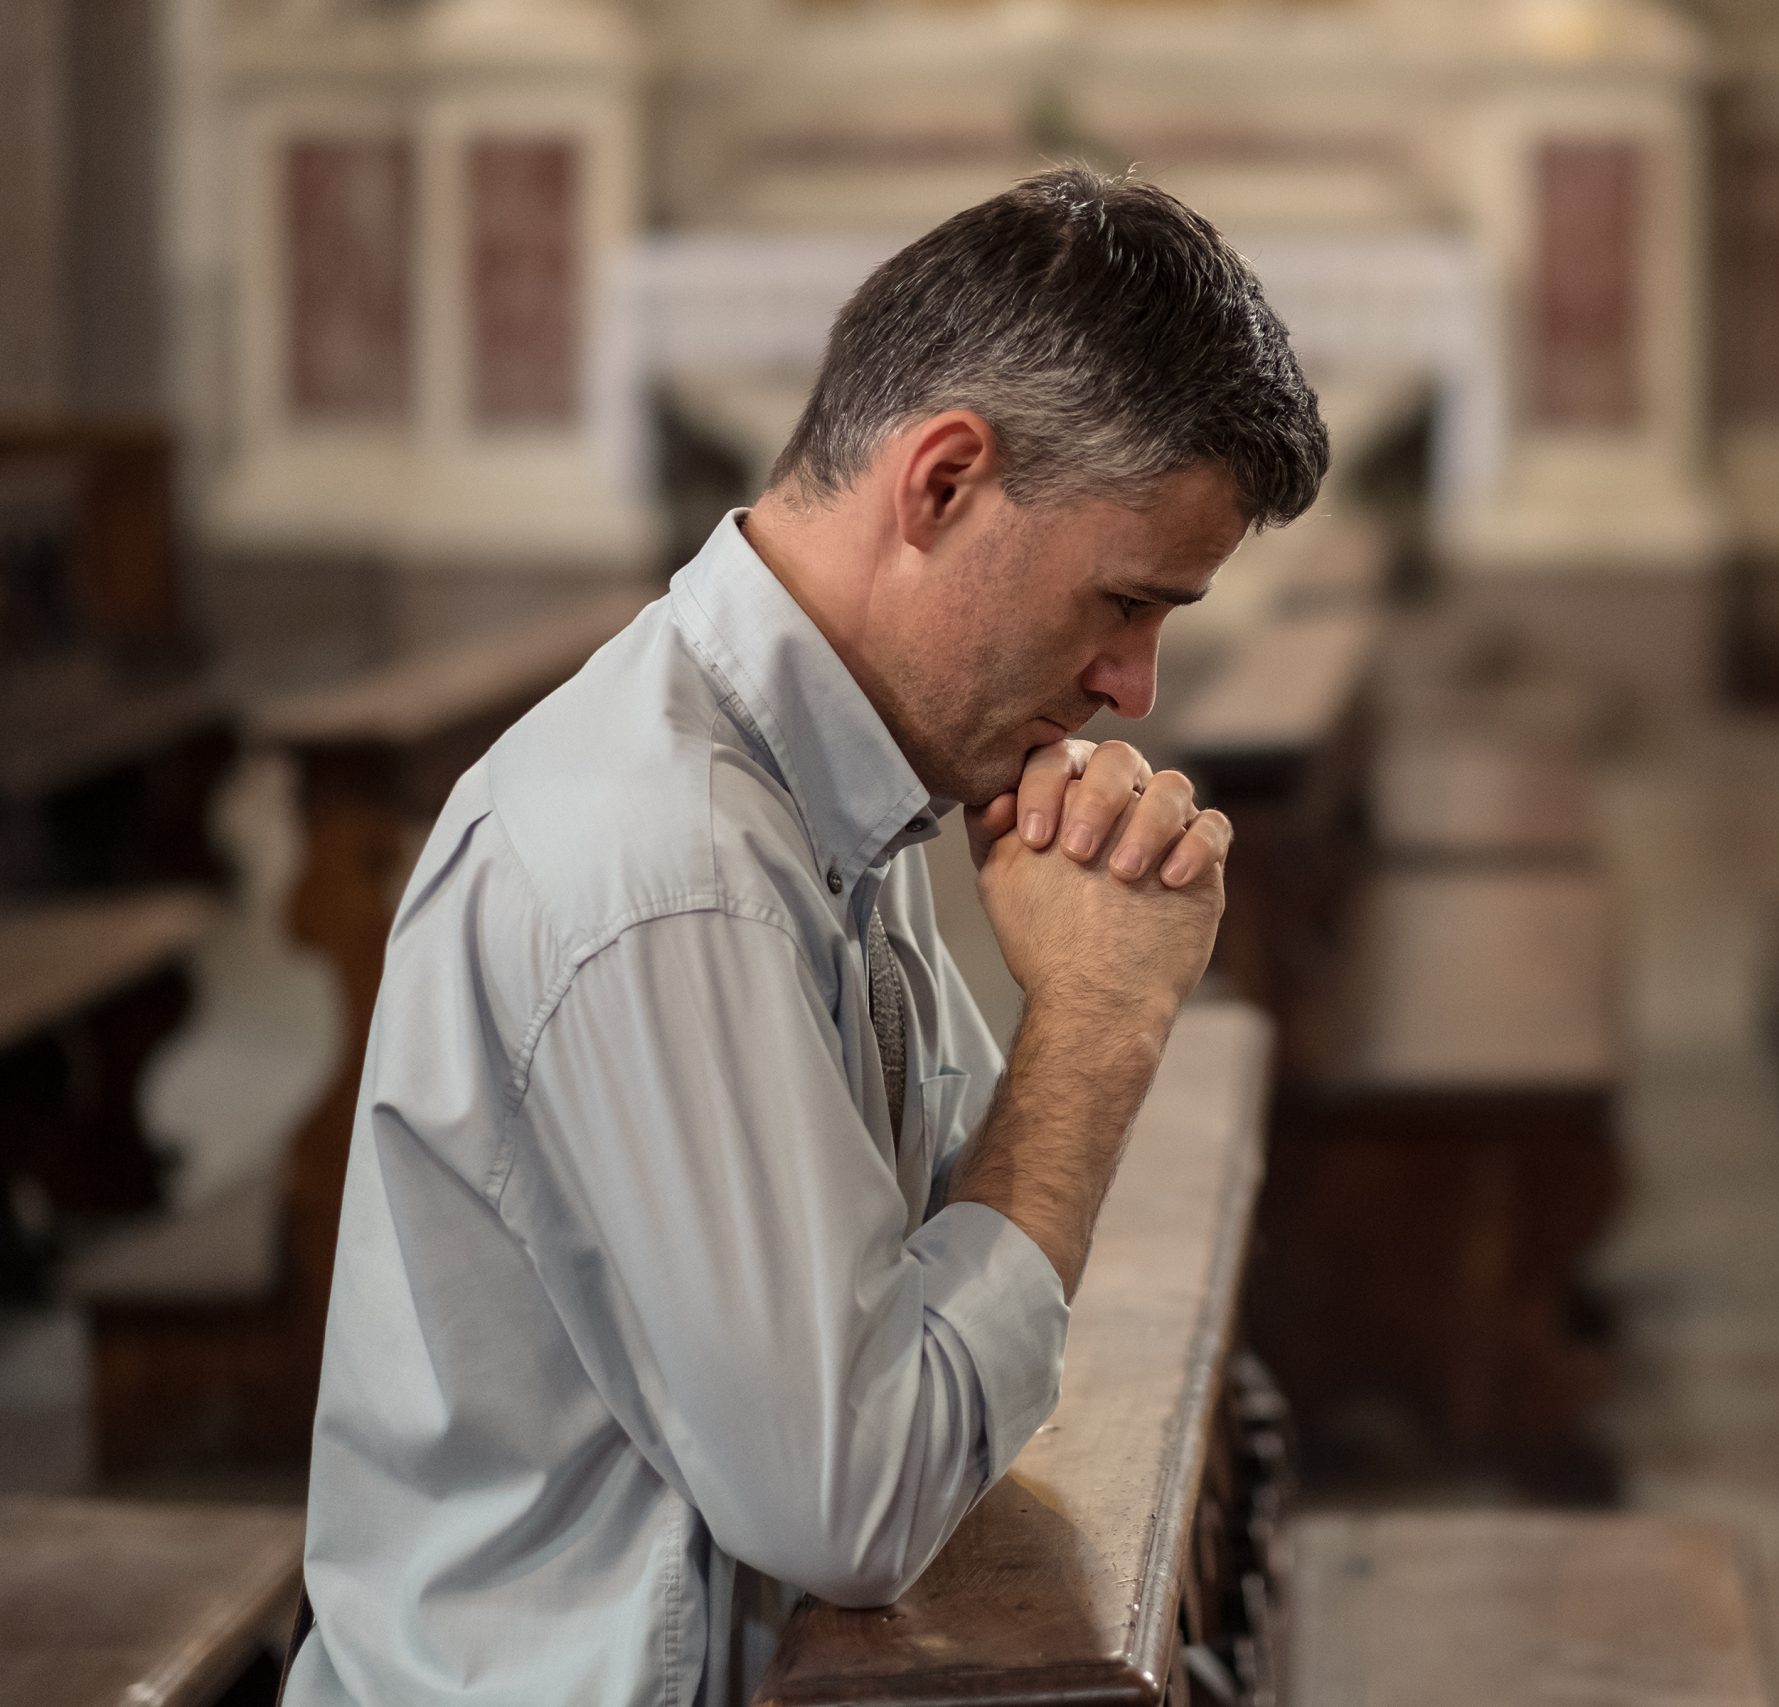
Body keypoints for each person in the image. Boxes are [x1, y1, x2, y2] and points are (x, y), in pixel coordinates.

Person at [283, 166, 1330, 1707]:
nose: (1135, 688)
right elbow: (852, 1503)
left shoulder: (825, 763)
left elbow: (934, 1240)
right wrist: (1096, 1032)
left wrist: (1086, 969)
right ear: (944, 483)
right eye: (1126, 602)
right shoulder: (668, 863)